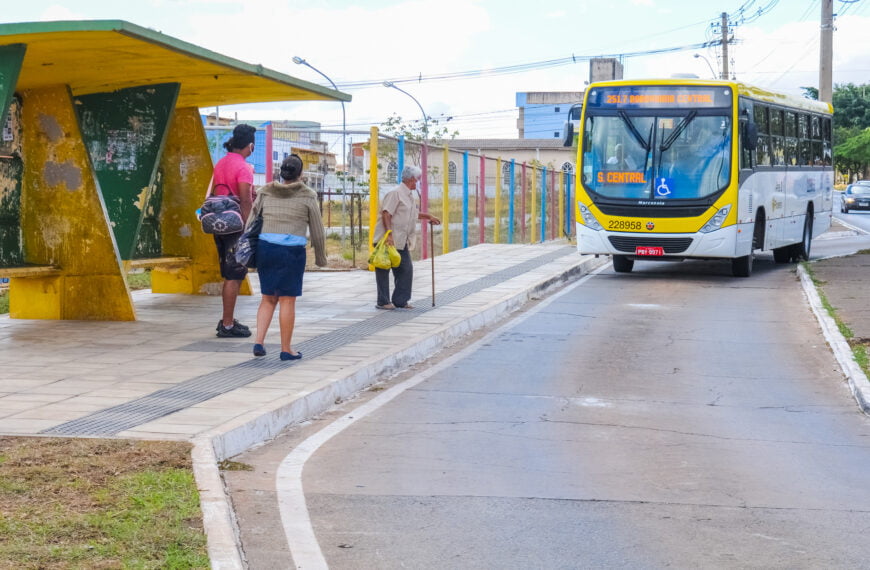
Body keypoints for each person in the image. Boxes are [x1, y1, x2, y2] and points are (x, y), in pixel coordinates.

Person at [248, 154, 327, 360]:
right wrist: (321, 258)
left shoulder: (265, 191)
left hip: (266, 249)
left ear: (281, 172)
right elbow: (317, 230)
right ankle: (286, 349)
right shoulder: (308, 195)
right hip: (291, 253)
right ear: (300, 174)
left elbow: (251, 221)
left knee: (267, 298)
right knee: (287, 301)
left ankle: (259, 342)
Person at [373, 165, 441, 310]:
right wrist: (389, 235)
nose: (417, 182)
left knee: (406, 269)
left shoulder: (409, 196)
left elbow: (413, 214)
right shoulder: (395, 193)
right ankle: (383, 301)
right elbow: (386, 214)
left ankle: (400, 300)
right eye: (416, 180)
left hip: (401, 240)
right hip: (387, 240)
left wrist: (428, 216)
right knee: (383, 269)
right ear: (411, 179)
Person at [213, 124, 256, 338]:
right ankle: (227, 324)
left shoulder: (221, 163)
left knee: (231, 272)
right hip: (236, 226)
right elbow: (245, 199)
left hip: (219, 223)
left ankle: (228, 320)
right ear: (250, 145)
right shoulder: (244, 167)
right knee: (234, 274)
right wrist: (248, 226)